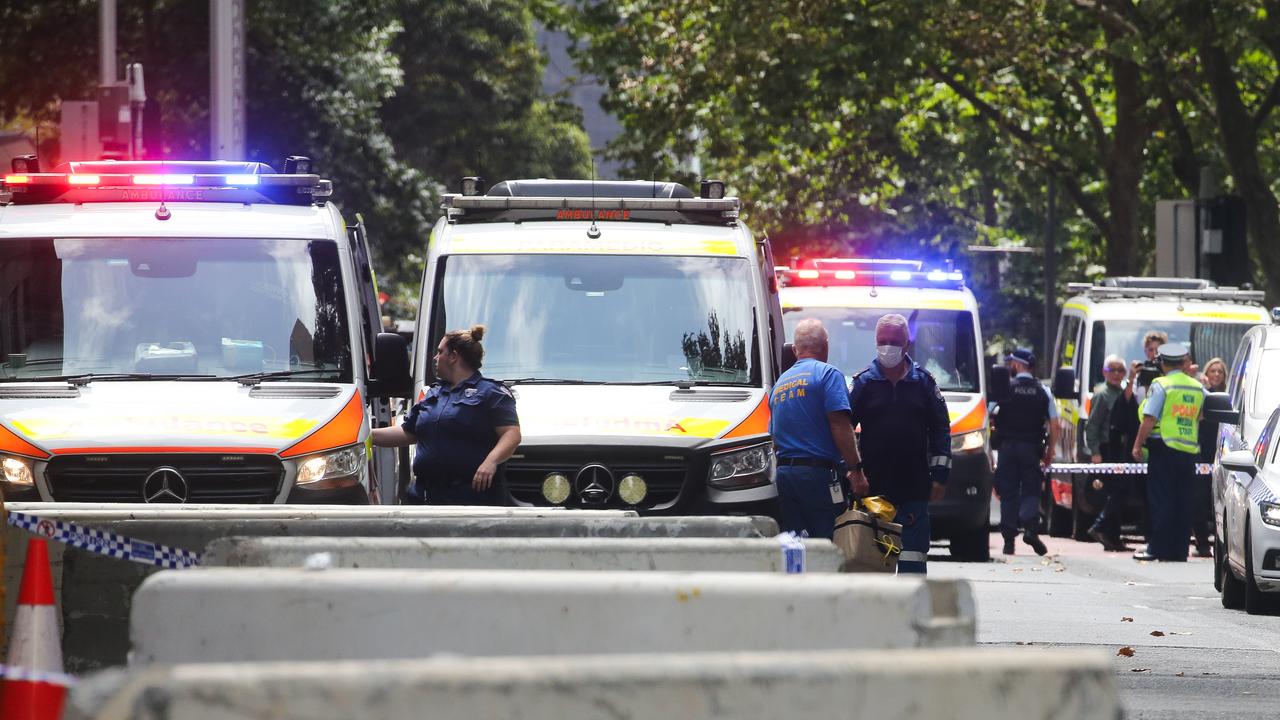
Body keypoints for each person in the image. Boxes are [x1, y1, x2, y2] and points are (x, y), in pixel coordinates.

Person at [371, 325, 521, 505]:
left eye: (440, 352)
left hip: (470, 497)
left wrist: (490, 462)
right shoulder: (433, 394)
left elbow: (511, 434)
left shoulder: (491, 393)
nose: (435, 357)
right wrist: (366, 435)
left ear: (453, 357)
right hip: (425, 495)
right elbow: (408, 432)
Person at [848, 314, 951, 574]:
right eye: (882, 340)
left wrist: (940, 476)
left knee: (913, 559)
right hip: (873, 487)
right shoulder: (863, 384)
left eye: (894, 340)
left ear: (906, 344)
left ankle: (910, 610)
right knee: (873, 561)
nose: (887, 346)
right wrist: (851, 470)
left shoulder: (924, 384)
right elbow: (843, 428)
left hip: (913, 487)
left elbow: (941, 430)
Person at [769, 318, 868, 538]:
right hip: (819, 476)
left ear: (795, 350)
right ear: (826, 345)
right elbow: (840, 425)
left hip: (786, 476)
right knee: (827, 540)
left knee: (795, 542)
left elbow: (775, 440)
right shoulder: (828, 375)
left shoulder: (780, 384)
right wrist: (856, 470)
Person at [1131, 343, 1204, 562]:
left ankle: (1157, 547)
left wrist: (1137, 445)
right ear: (1184, 363)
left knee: (1162, 499)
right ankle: (1178, 550)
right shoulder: (1196, 386)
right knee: (1183, 500)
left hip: (1163, 447)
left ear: (1161, 362)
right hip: (1188, 450)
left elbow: (1150, 417)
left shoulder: (1161, 385)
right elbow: (1200, 416)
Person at [992, 348, 1057, 556]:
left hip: (1007, 448)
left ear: (1018, 365)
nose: (1010, 366)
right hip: (1031, 448)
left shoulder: (1004, 388)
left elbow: (988, 414)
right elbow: (1055, 425)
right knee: (1031, 489)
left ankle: (1009, 541)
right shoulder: (1043, 391)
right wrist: (1050, 451)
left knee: (1008, 492)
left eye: (1012, 363)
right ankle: (1030, 528)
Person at [1084, 354, 1139, 551]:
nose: (1116, 374)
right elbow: (1093, 426)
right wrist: (1095, 451)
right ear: (1104, 372)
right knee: (1117, 492)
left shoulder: (1124, 393)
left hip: (1122, 449)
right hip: (1107, 449)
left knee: (1120, 492)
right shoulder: (1102, 394)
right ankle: (1099, 526)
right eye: (1112, 370)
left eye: (1120, 370)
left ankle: (1112, 537)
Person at [1191, 357, 1229, 557]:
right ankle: (1202, 542)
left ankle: (1221, 544)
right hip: (1201, 452)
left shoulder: (1228, 398)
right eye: (1212, 371)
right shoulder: (1201, 394)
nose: (1216, 375)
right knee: (1198, 499)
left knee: (1221, 500)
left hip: (1222, 453)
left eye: (1219, 372)